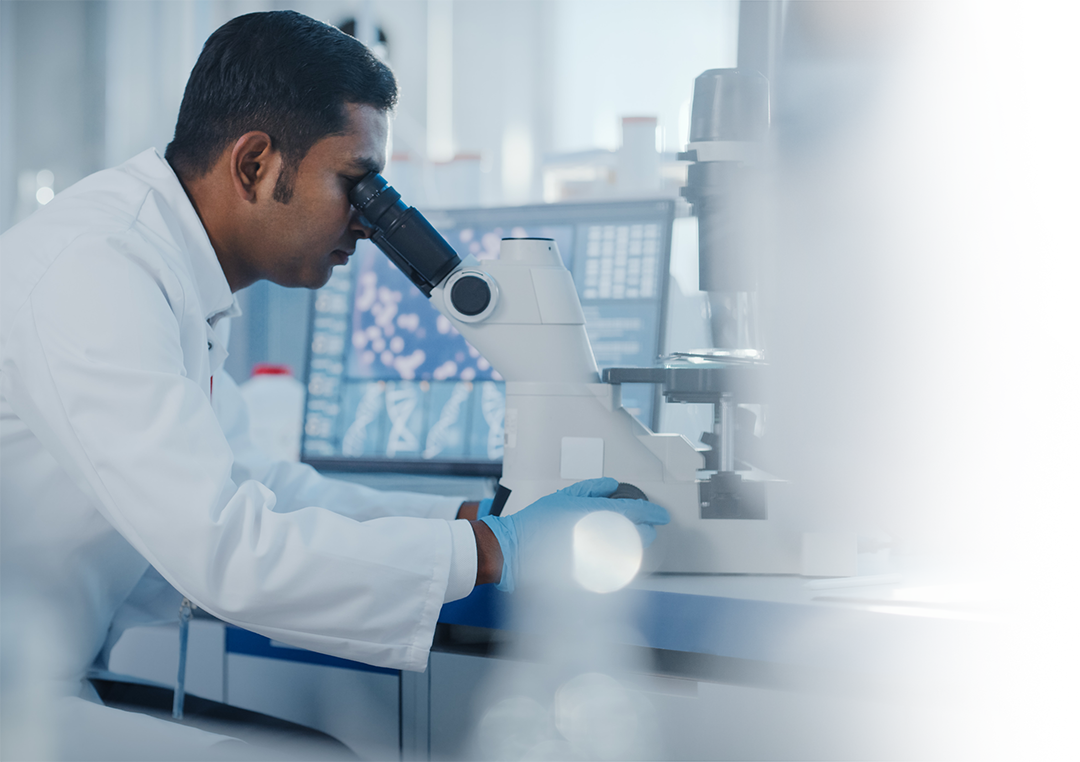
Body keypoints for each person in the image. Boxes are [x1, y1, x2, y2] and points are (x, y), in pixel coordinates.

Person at [0, 10, 668, 757]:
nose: (364, 221)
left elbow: (268, 487)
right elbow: (230, 549)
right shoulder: (97, 269)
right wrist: (492, 550)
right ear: (254, 164)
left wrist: (469, 515)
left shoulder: (163, 266)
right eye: (354, 183)